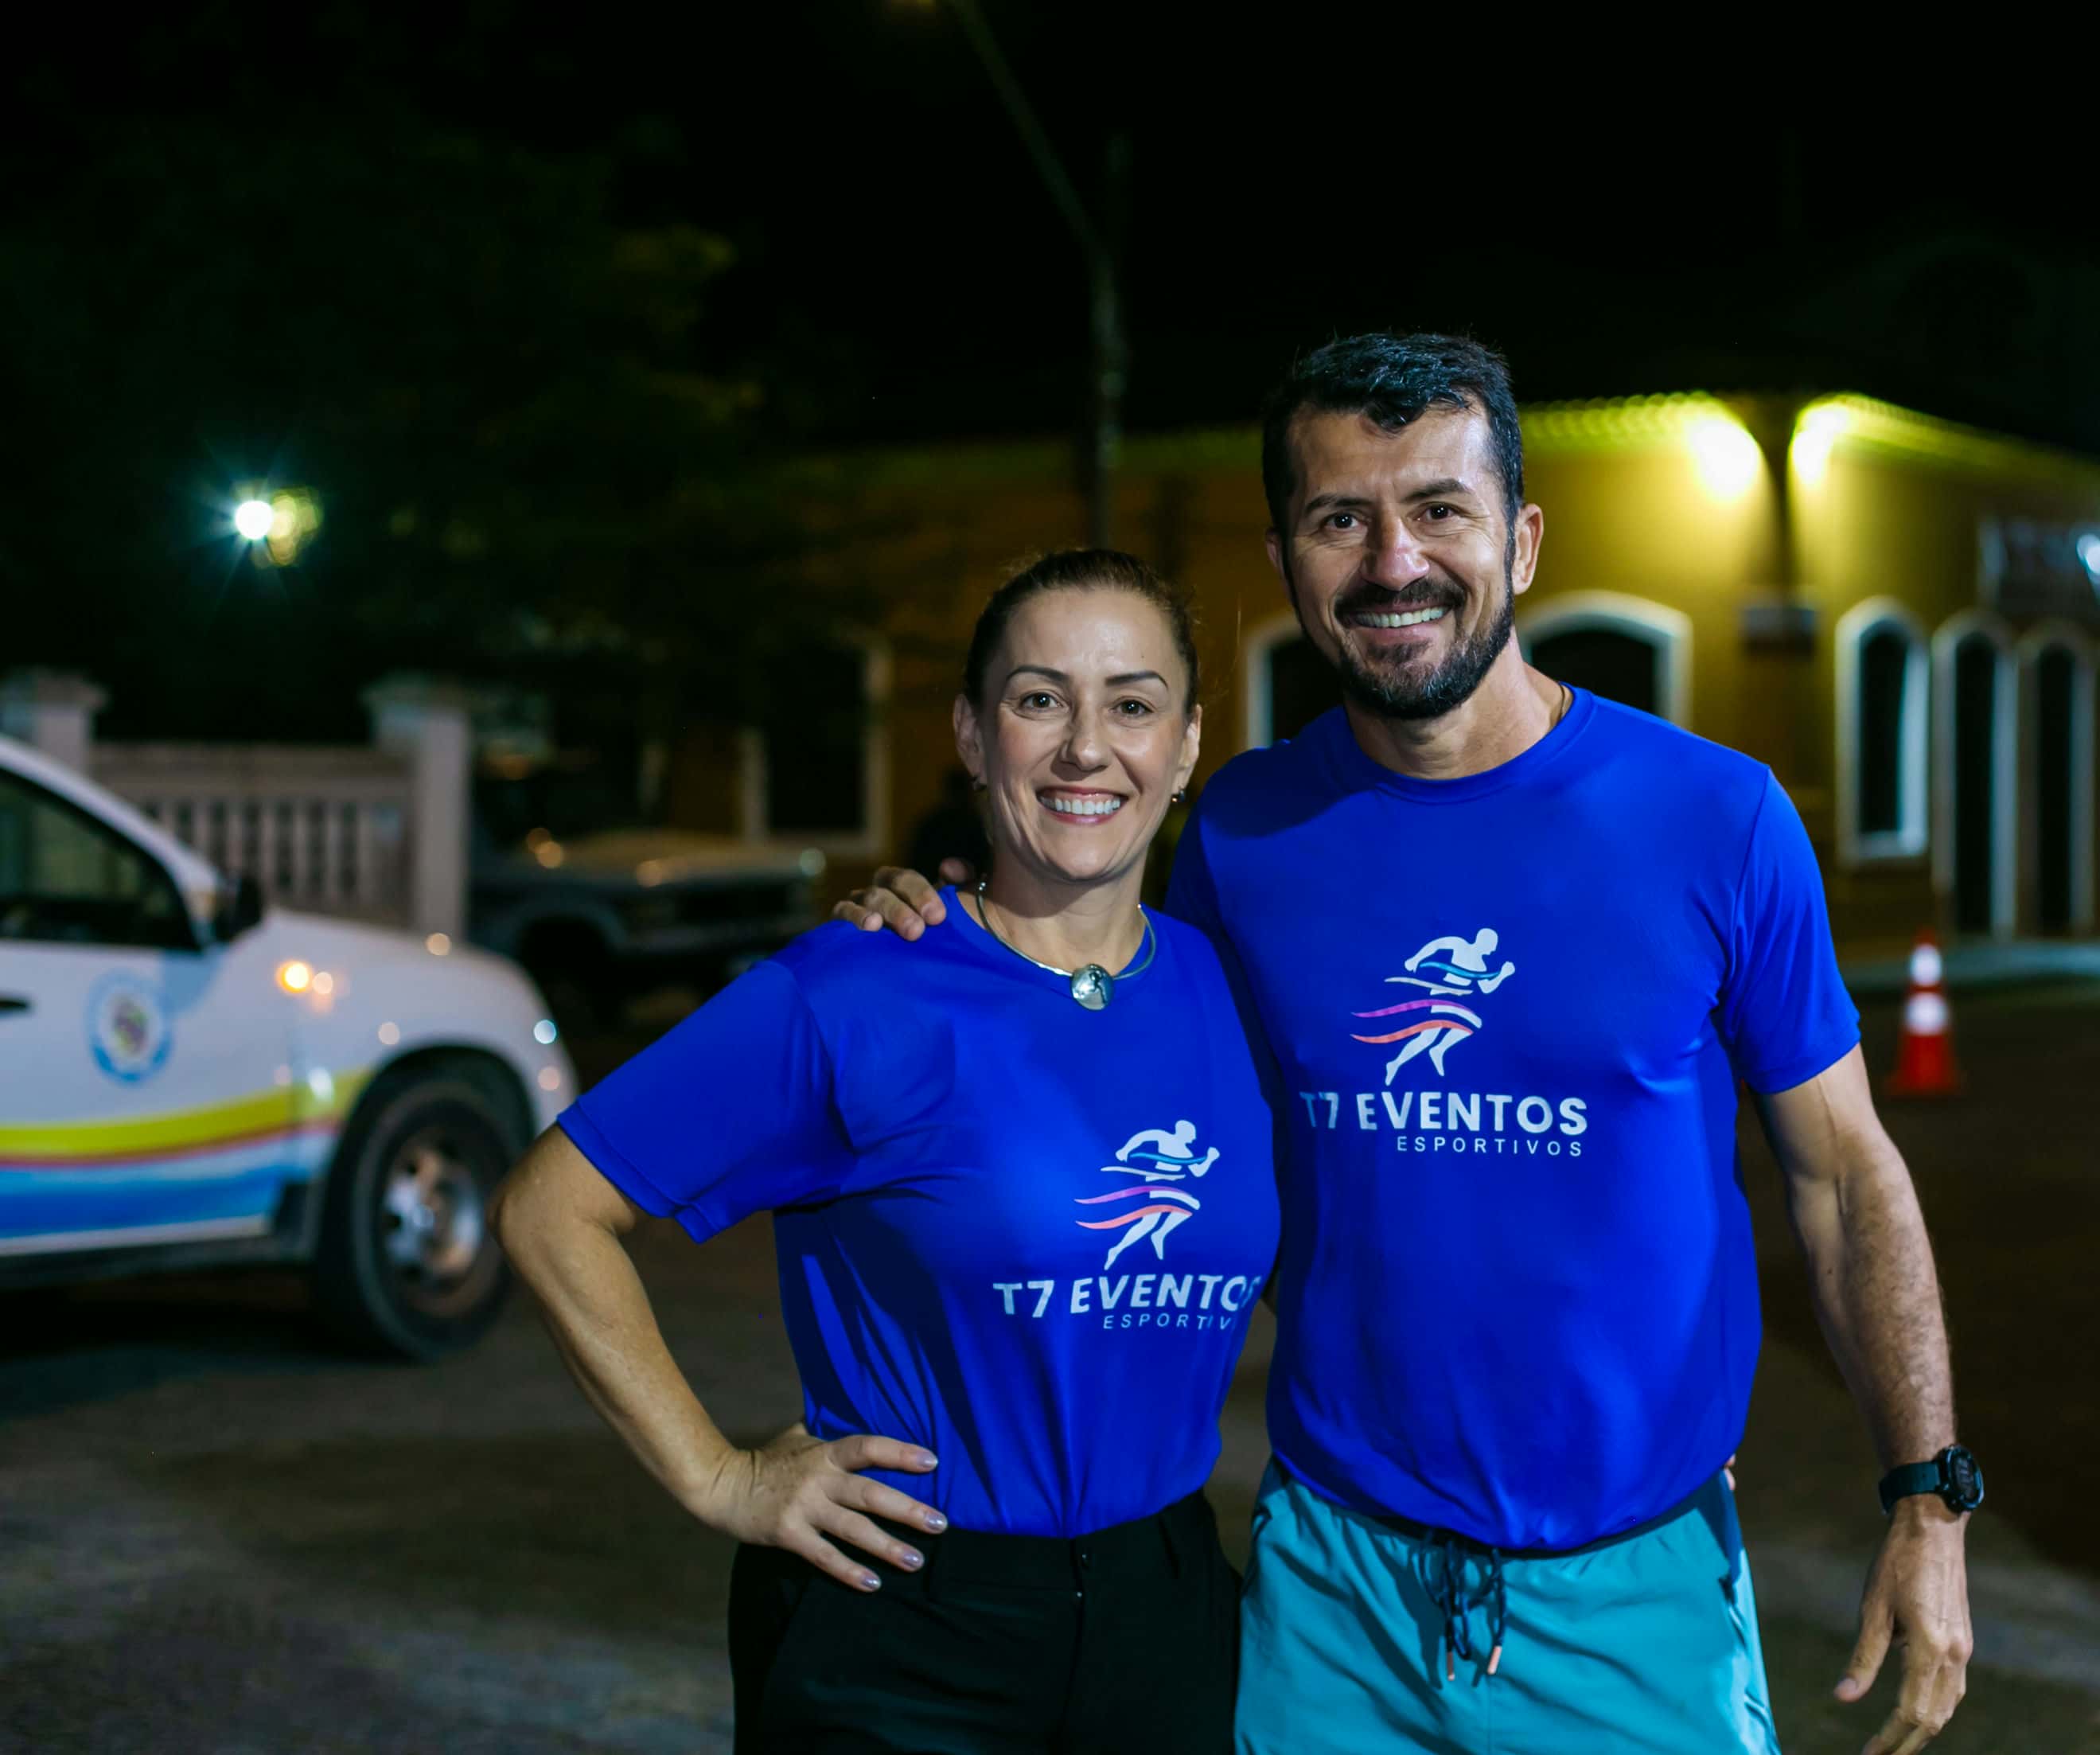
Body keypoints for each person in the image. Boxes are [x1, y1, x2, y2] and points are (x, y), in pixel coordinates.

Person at [844, 334, 1977, 1755]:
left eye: (1440, 509)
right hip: (1333, 1601)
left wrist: (1928, 1496)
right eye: (1342, 518)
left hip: (1631, 1599)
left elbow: (1845, 1174)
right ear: (1288, 560)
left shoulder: (1718, 818)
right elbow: (1103, 1056)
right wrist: (932, 939)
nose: (1395, 561)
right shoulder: (1241, 833)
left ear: (1524, 539)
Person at [493, 550, 1278, 1753]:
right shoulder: (857, 987)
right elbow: (550, 1209)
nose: (1086, 747)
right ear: (972, 735)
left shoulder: (1235, 992)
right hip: (902, 1619)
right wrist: (719, 1476)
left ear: (1185, 747)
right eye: (1039, 699)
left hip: (1165, 1610)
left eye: (1133, 704)